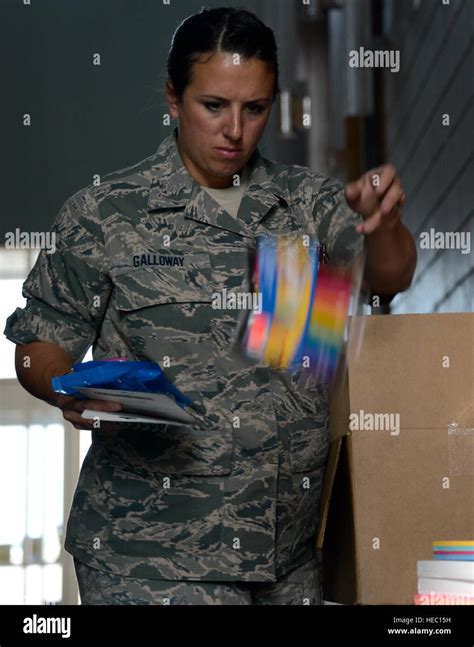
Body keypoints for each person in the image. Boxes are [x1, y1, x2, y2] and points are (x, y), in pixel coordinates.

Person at [4, 7, 416, 605]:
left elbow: (391, 277)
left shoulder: (306, 205)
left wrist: (385, 223)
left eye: (255, 109)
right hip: (151, 560)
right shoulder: (105, 215)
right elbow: (36, 347)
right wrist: (68, 389)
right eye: (213, 106)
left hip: (288, 559)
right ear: (174, 99)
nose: (235, 131)